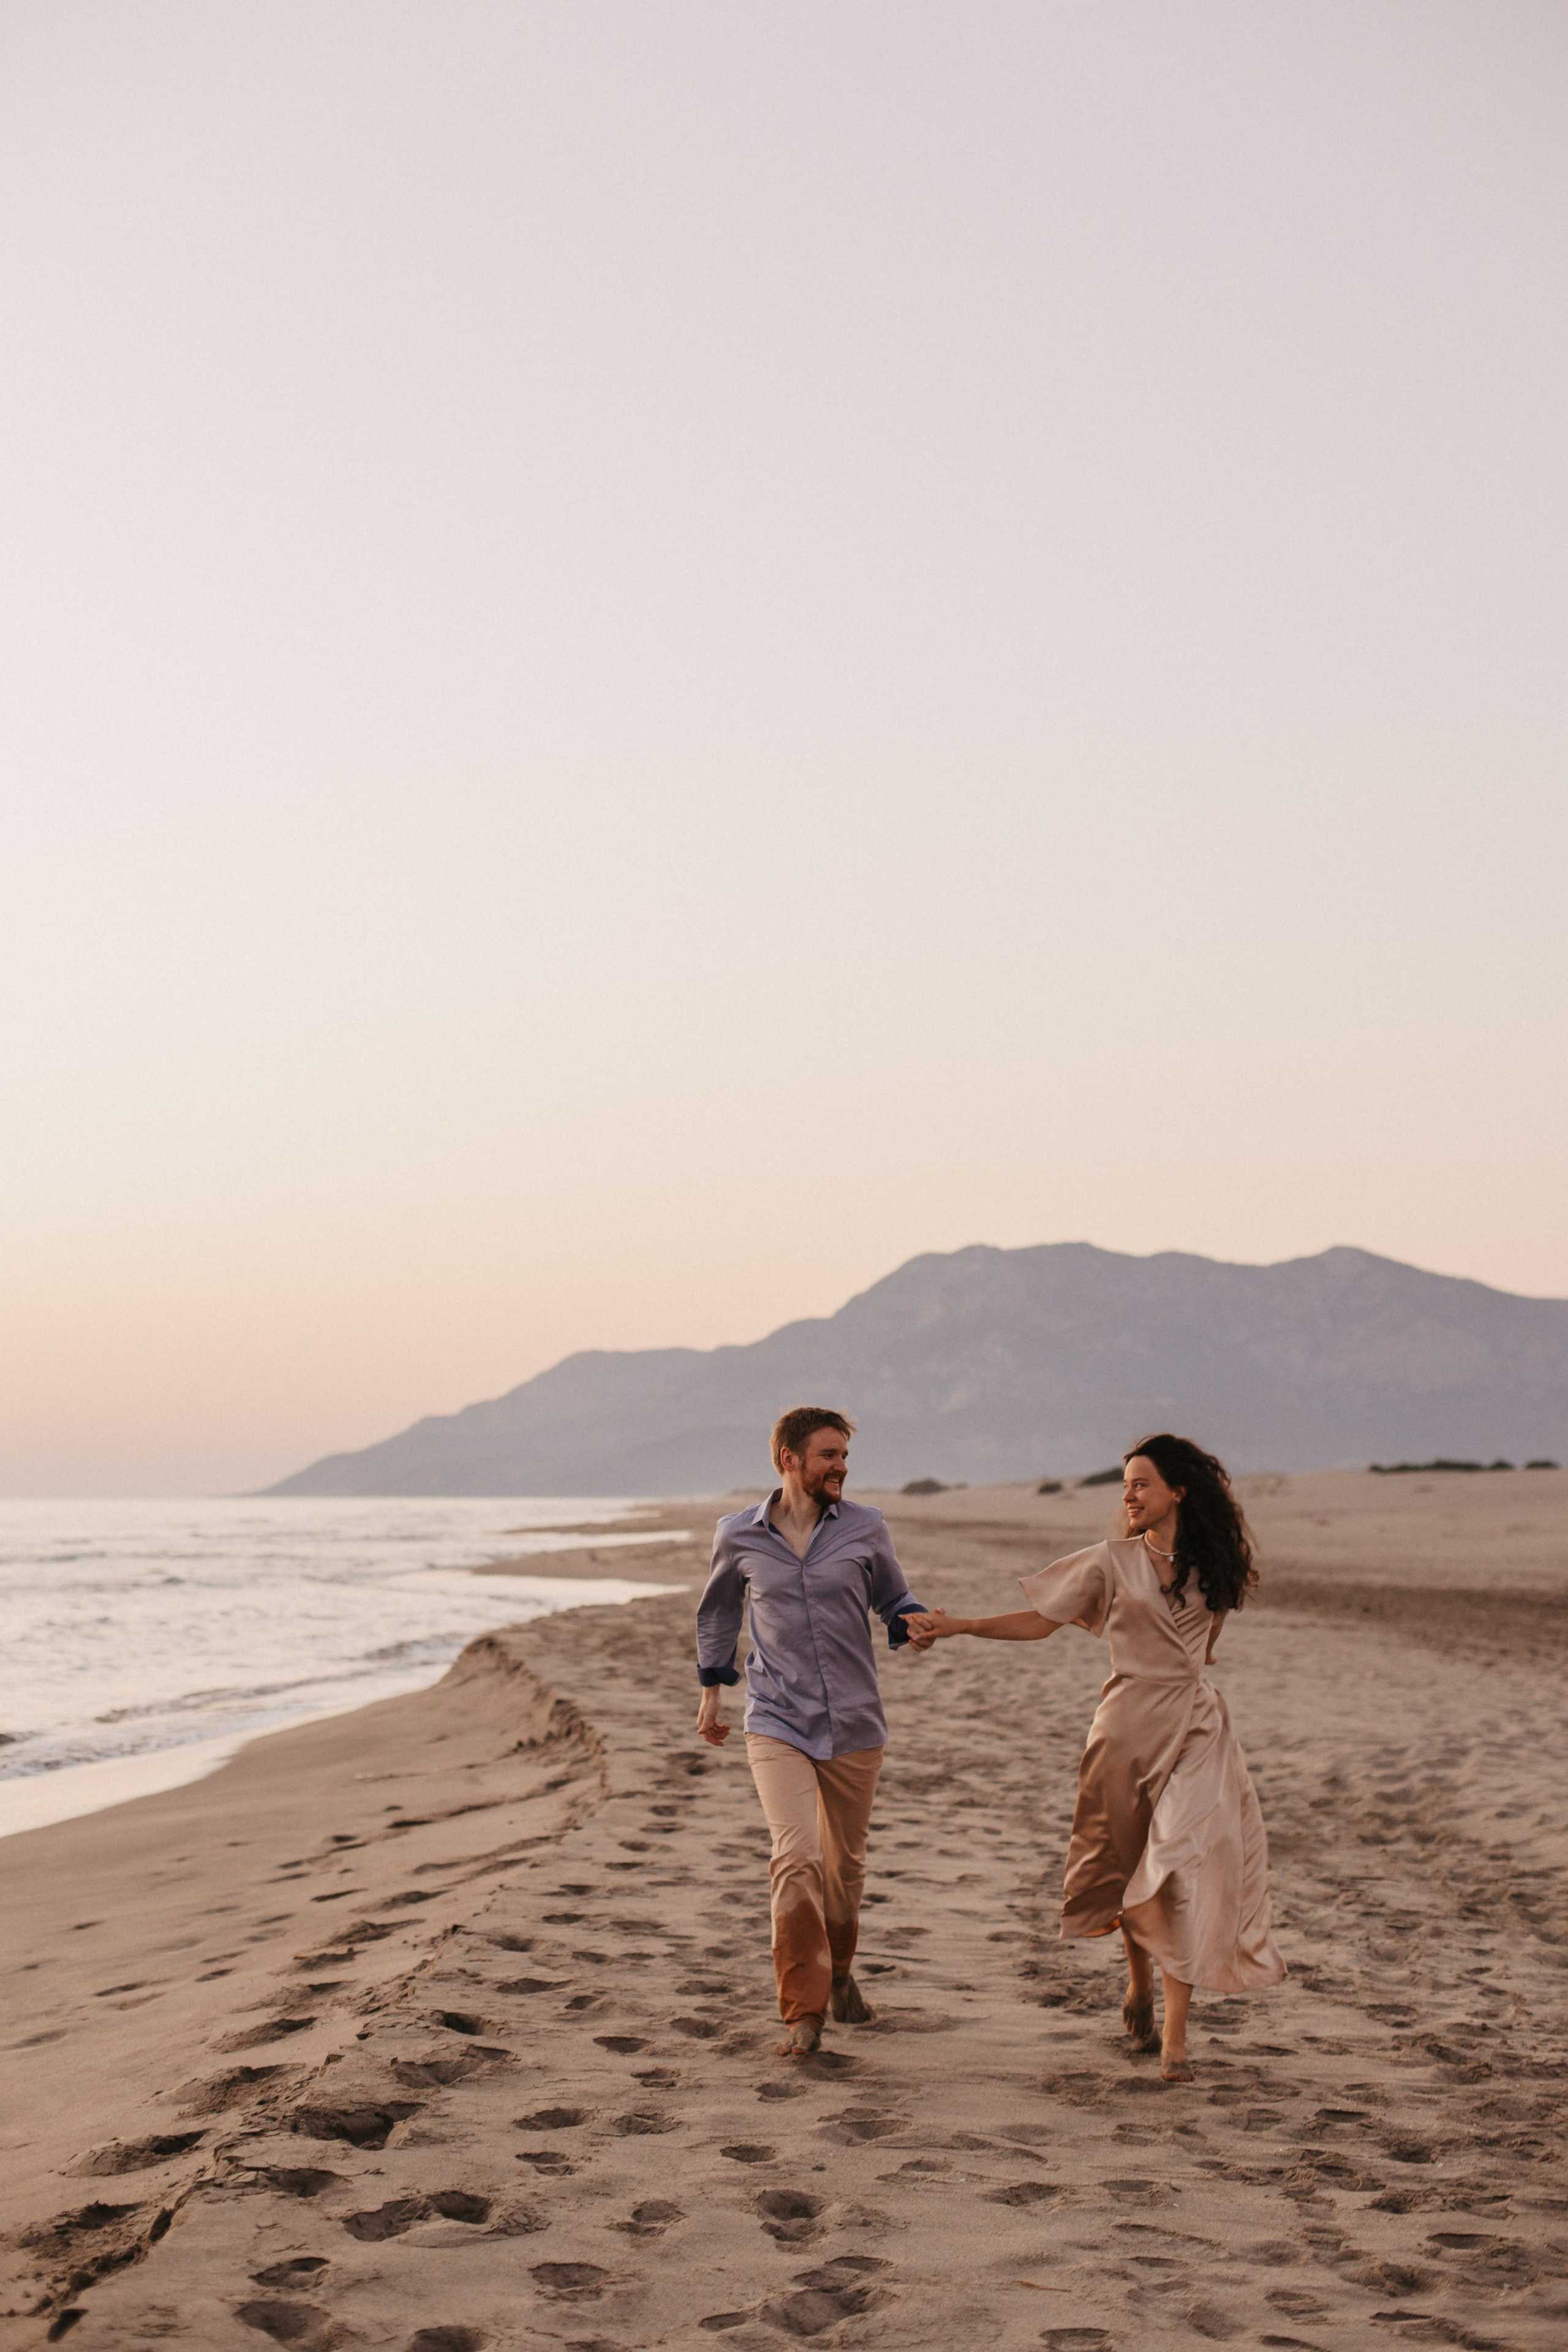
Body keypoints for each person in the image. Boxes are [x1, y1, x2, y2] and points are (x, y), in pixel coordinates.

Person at [906, 1433, 1284, 2081]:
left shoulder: (1213, 1565)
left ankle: (1175, 2040)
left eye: (1140, 1483)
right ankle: (1137, 1982)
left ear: (1178, 1492)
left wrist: (1195, 1664)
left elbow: (1207, 1638)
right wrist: (961, 1625)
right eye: (1126, 1485)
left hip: (1194, 1730)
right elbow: (1040, 1619)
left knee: (1177, 1869)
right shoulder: (1109, 1563)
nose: (1129, 1495)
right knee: (1126, 1863)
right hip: (1124, 1731)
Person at [695, 1407, 927, 2057]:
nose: (841, 1467)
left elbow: (894, 1600)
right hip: (776, 1718)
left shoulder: (866, 1528)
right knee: (796, 1857)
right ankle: (803, 2012)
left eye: (845, 1456)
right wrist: (712, 1692)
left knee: (843, 1871)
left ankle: (843, 1973)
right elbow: (717, 1612)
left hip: (855, 1720)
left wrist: (915, 1624)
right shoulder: (738, 1535)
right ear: (788, 1460)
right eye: (829, 1455)